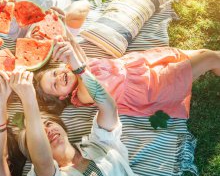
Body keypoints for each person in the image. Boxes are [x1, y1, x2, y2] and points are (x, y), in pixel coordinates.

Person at [9, 68, 153, 176]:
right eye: (39, 132)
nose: (47, 131)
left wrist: (80, 69)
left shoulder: (97, 144)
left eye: (48, 123)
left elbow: (110, 109)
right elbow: (43, 161)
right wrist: (28, 98)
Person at [34, 36, 220, 118]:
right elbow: (82, 70)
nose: (59, 77)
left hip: (141, 66)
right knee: (210, 58)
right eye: (55, 84)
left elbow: (74, 47)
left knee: (206, 53)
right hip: (151, 87)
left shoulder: (75, 67)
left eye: (54, 73)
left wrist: (62, 26)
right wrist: (74, 61)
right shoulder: (82, 94)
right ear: (63, 96)